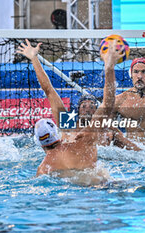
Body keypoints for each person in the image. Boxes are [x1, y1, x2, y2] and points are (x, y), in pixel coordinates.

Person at [17, 39, 123, 184]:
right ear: (57, 132)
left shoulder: (44, 168)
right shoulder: (84, 140)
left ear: (40, 144)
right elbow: (108, 103)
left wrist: (33, 58)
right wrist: (109, 67)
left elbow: (48, 91)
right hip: (103, 187)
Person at [16, 39, 140, 151]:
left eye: (92, 106)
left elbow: (136, 152)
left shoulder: (106, 129)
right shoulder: (67, 124)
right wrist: (34, 58)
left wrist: (109, 67)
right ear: (78, 110)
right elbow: (49, 90)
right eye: (84, 106)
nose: (88, 109)